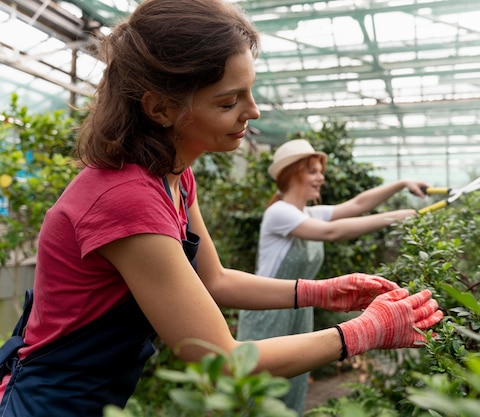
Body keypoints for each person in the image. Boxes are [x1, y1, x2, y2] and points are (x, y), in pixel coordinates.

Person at [0, 0, 443, 416]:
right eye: (228, 101)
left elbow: (214, 280)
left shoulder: (172, 174)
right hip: (48, 403)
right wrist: (365, 332)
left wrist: (323, 291)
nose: (252, 112)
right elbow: (223, 360)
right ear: (161, 108)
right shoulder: (124, 199)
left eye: (249, 93)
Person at [237, 138, 432, 414]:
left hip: (298, 311)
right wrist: (394, 218)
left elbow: (358, 204)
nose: (321, 177)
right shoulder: (279, 213)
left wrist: (402, 184)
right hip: (267, 312)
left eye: (320, 171)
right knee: (257, 389)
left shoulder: (309, 212)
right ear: (293, 174)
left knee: (291, 388)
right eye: (313, 171)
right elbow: (333, 232)